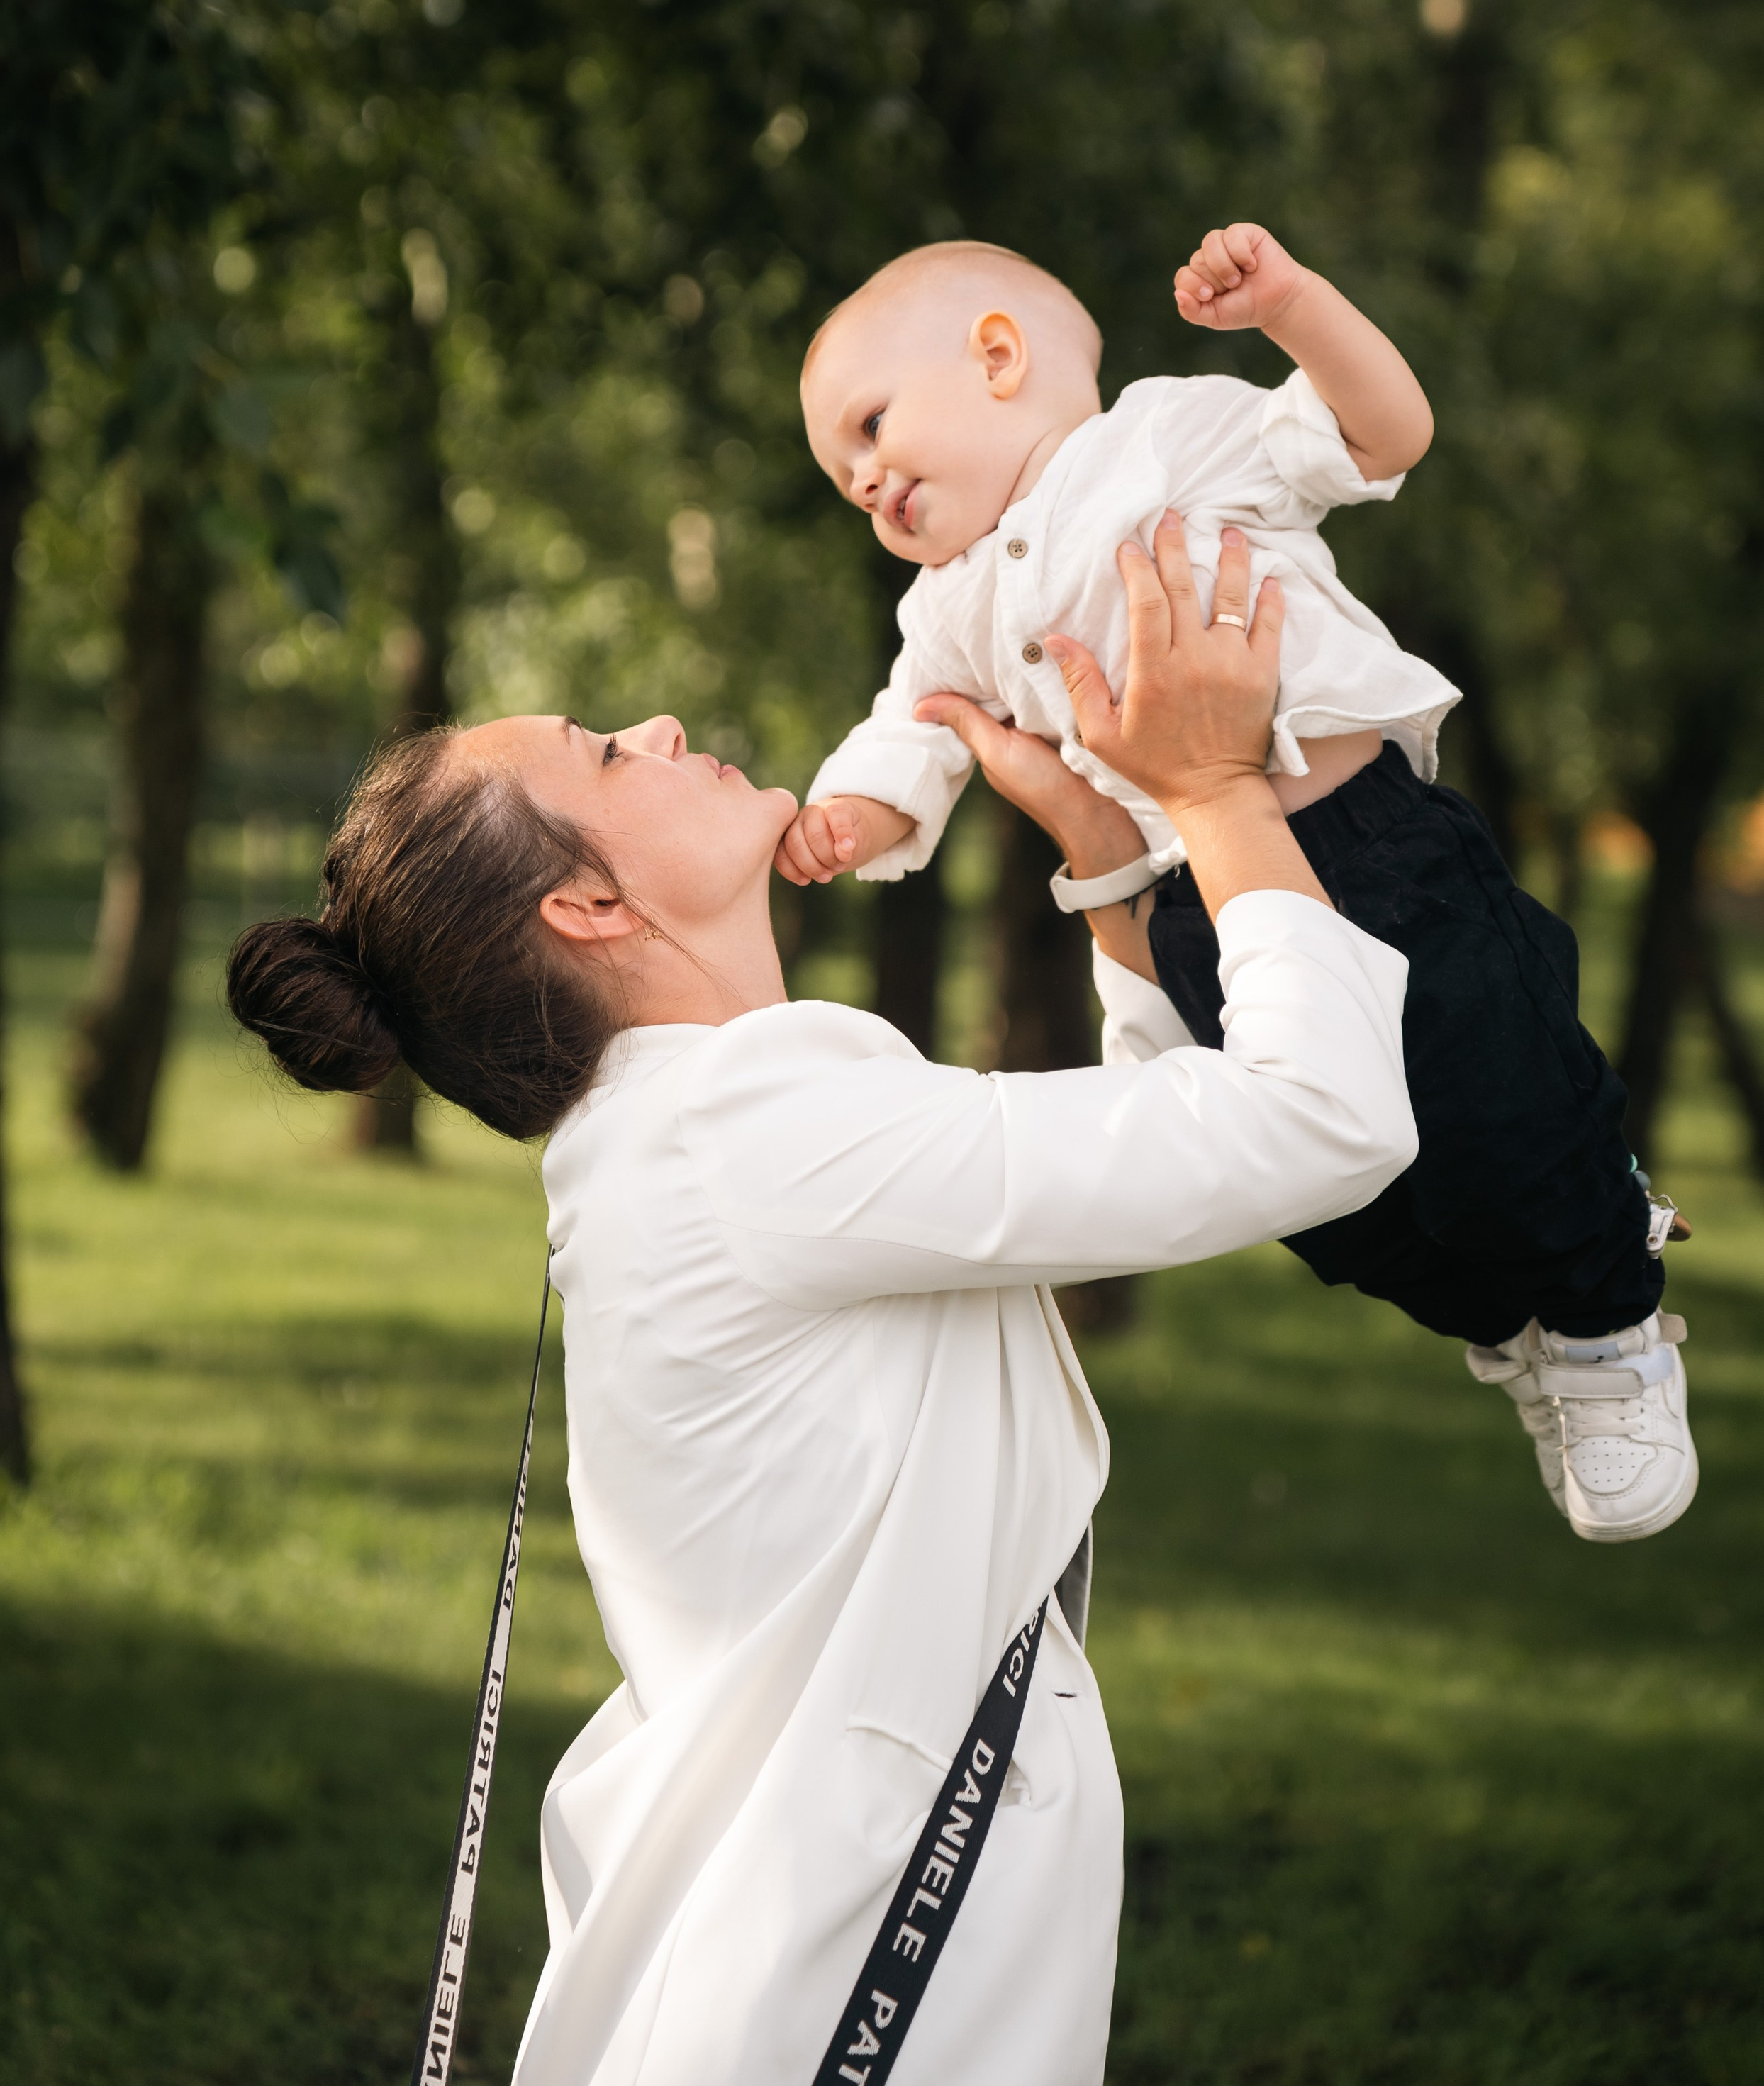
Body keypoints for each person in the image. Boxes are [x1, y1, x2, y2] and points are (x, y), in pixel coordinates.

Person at [228, 520, 1416, 2086]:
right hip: (858, 1956)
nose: (654, 728)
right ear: (585, 909)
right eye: (602, 752)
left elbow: (1135, 1165)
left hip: (830, 1923)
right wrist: (1210, 791)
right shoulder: (747, 1139)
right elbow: (1324, 1120)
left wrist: (1108, 868)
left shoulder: (714, 1131)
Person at [783, 225, 1695, 1545]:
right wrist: (851, 814)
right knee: (1331, 1205)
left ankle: (1608, 1320)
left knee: (1498, 1096)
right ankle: (1515, 1327)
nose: (866, 482)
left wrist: (1294, 306)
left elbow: (1377, 437)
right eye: (841, 478)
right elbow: (911, 732)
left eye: (869, 429)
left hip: (1368, 846)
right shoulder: (949, 606)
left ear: (996, 358)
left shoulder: (1164, 436)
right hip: (1206, 920)